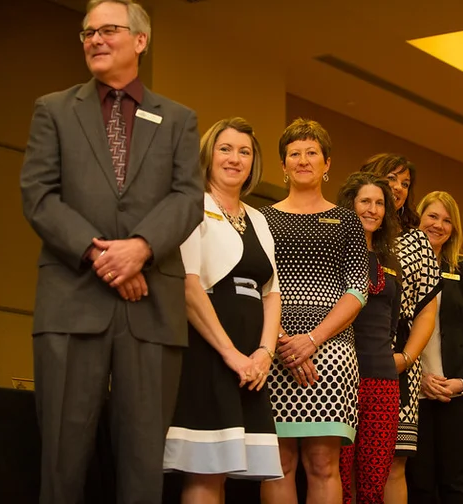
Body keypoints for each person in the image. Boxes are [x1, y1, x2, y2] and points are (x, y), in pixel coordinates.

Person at [19, 1, 203, 502]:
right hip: (71, 301)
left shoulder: (179, 119)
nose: (94, 39)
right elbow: (38, 195)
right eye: (87, 32)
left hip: (152, 310)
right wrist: (104, 257)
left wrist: (141, 248)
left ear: (140, 40)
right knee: (61, 460)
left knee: (144, 464)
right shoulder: (53, 109)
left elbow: (188, 198)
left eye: (107, 30)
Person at [163, 118, 283, 502]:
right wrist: (231, 354)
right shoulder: (191, 205)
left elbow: (272, 294)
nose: (235, 158)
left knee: (227, 474)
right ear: (208, 155)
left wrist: (264, 353)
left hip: (251, 359)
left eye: (244, 151)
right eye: (225, 149)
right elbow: (188, 285)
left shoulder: (259, 218)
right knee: (204, 472)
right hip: (208, 350)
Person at [259, 119, 369, 504]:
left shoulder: (347, 221)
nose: (303, 160)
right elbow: (256, 286)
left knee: (323, 464)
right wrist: (284, 342)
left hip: (331, 354)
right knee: (277, 463)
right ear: (283, 165)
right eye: (294, 154)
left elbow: (357, 291)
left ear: (327, 165)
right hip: (272, 350)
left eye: (312, 153)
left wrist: (312, 340)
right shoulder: (261, 220)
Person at [360, 154, 442, 504]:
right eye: (391, 178)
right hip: (349, 356)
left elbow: (427, 312)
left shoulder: (417, 241)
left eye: (405, 183)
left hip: (397, 363)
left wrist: (407, 358)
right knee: (345, 457)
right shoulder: (351, 226)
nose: (397, 188)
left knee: (393, 464)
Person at [407, 191, 463, 503]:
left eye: (447, 220)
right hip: (416, 389)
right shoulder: (401, 265)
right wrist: (422, 378)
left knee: (455, 480)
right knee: (420, 480)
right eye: (433, 216)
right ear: (418, 217)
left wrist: (461, 382)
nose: (439, 225)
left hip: (459, 392)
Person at [336, 173, 402, 504]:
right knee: (338, 473)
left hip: (383, 380)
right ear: (350, 205)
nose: (372, 209)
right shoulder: (332, 254)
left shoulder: (391, 261)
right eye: (365, 201)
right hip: (340, 376)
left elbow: (392, 324)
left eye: (379, 203)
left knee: (374, 480)